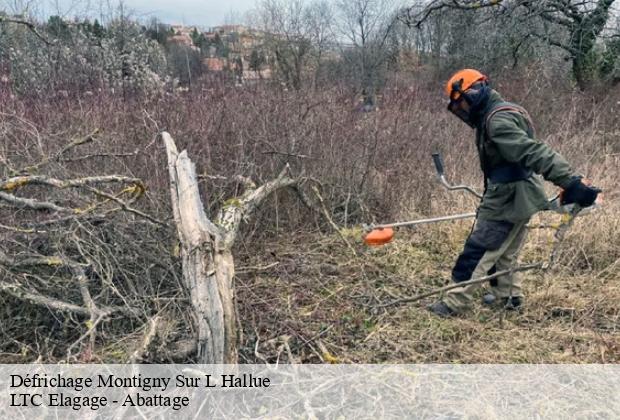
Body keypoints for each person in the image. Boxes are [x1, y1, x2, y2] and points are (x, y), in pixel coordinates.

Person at [428, 69, 600, 317]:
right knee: (505, 252)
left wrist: (571, 182)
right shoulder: (503, 110)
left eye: (462, 102)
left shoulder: (497, 121)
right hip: (521, 194)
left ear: (474, 92)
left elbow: (533, 152)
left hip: (508, 197)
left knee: (479, 249)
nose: (462, 109)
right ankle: (509, 297)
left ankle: (454, 303)